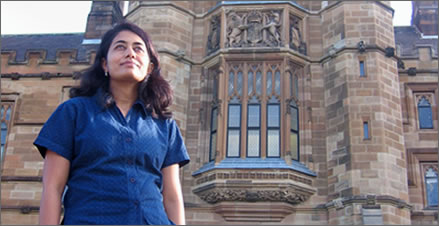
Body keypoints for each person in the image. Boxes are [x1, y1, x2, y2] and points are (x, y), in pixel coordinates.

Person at [34, 21, 190, 225]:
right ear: (104, 64)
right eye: (120, 47)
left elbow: (172, 197)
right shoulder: (73, 112)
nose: (130, 53)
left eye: (138, 48)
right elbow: (53, 187)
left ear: (150, 67)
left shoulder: (166, 126)